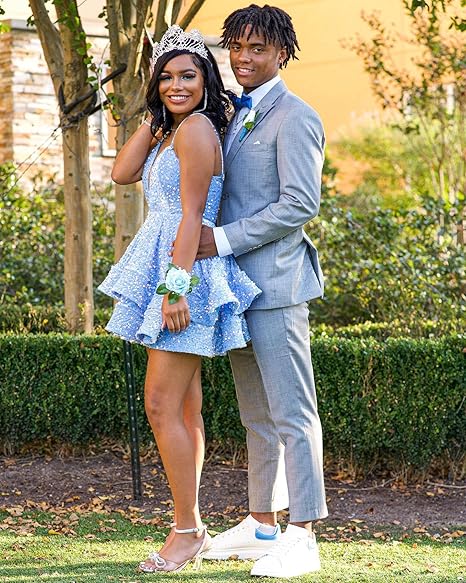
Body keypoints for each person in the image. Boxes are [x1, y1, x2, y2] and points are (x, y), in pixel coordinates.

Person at [98, 25, 260, 574]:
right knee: (184, 408)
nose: (176, 85)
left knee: (160, 405)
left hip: (183, 272)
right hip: (174, 265)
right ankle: (191, 525)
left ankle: (186, 530)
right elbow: (122, 172)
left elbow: (193, 216)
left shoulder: (194, 131)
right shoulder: (173, 128)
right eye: (165, 78)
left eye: (188, 76)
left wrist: (175, 288)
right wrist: (154, 116)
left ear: (206, 79)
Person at [197, 5, 328, 578]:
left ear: (282, 53)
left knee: (294, 414)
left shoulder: (296, 116)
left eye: (257, 48)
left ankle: (303, 535)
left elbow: (300, 203)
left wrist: (222, 240)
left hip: (277, 285)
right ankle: (262, 525)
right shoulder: (232, 114)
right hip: (234, 290)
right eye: (236, 47)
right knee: (256, 414)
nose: (243, 58)